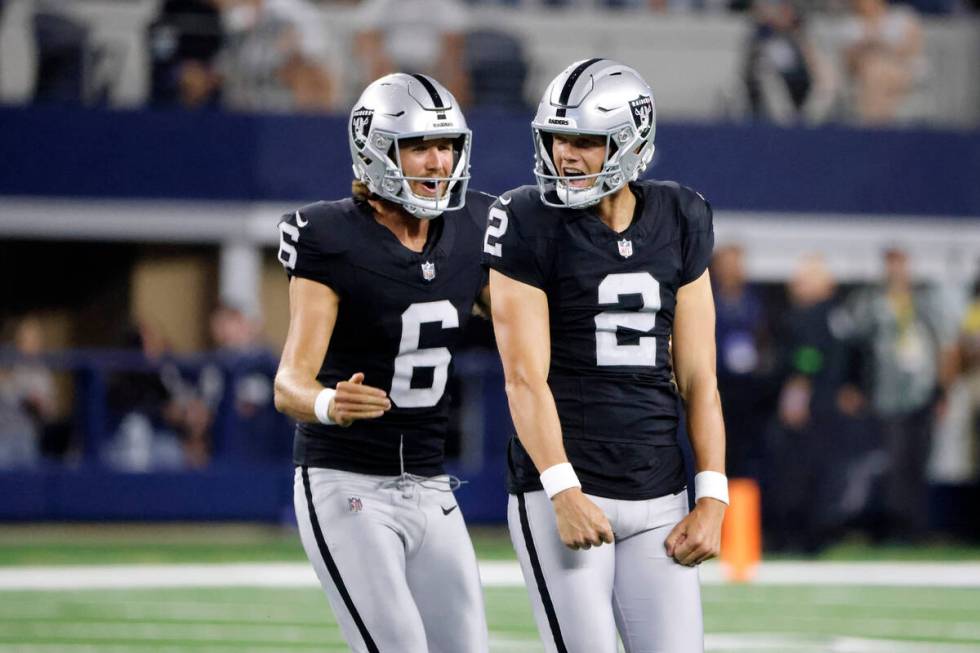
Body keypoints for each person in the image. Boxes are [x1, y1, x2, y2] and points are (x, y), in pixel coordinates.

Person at [483, 59, 727, 652]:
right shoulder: (525, 219)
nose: (567, 154)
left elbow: (699, 377)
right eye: (558, 137)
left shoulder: (681, 214)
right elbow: (522, 377)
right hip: (568, 486)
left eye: (587, 141)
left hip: (660, 492)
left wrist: (713, 494)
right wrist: (562, 490)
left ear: (632, 143)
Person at [273, 73, 493, 652]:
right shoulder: (330, 235)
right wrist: (327, 402)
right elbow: (289, 382)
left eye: (446, 146)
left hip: (430, 482)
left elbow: (531, 330)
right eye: (419, 146)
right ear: (376, 151)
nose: (438, 161)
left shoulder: (475, 227)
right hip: (346, 480)